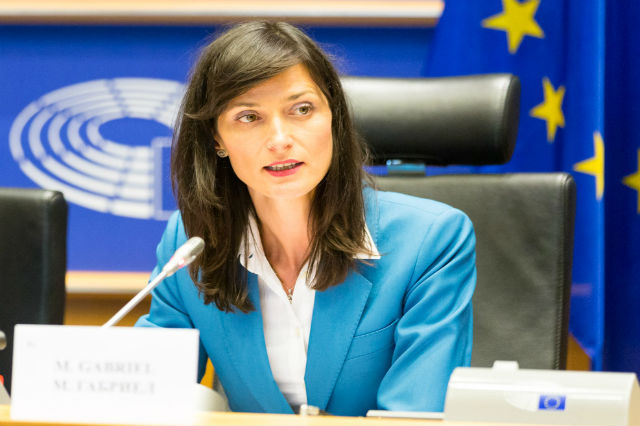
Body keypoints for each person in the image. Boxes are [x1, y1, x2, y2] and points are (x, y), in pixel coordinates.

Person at [136, 21, 476, 416]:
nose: (280, 139)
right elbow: (149, 392)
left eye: (302, 109)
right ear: (216, 139)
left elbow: (415, 416)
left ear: (333, 118)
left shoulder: (431, 241)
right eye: (249, 117)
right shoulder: (190, 243)